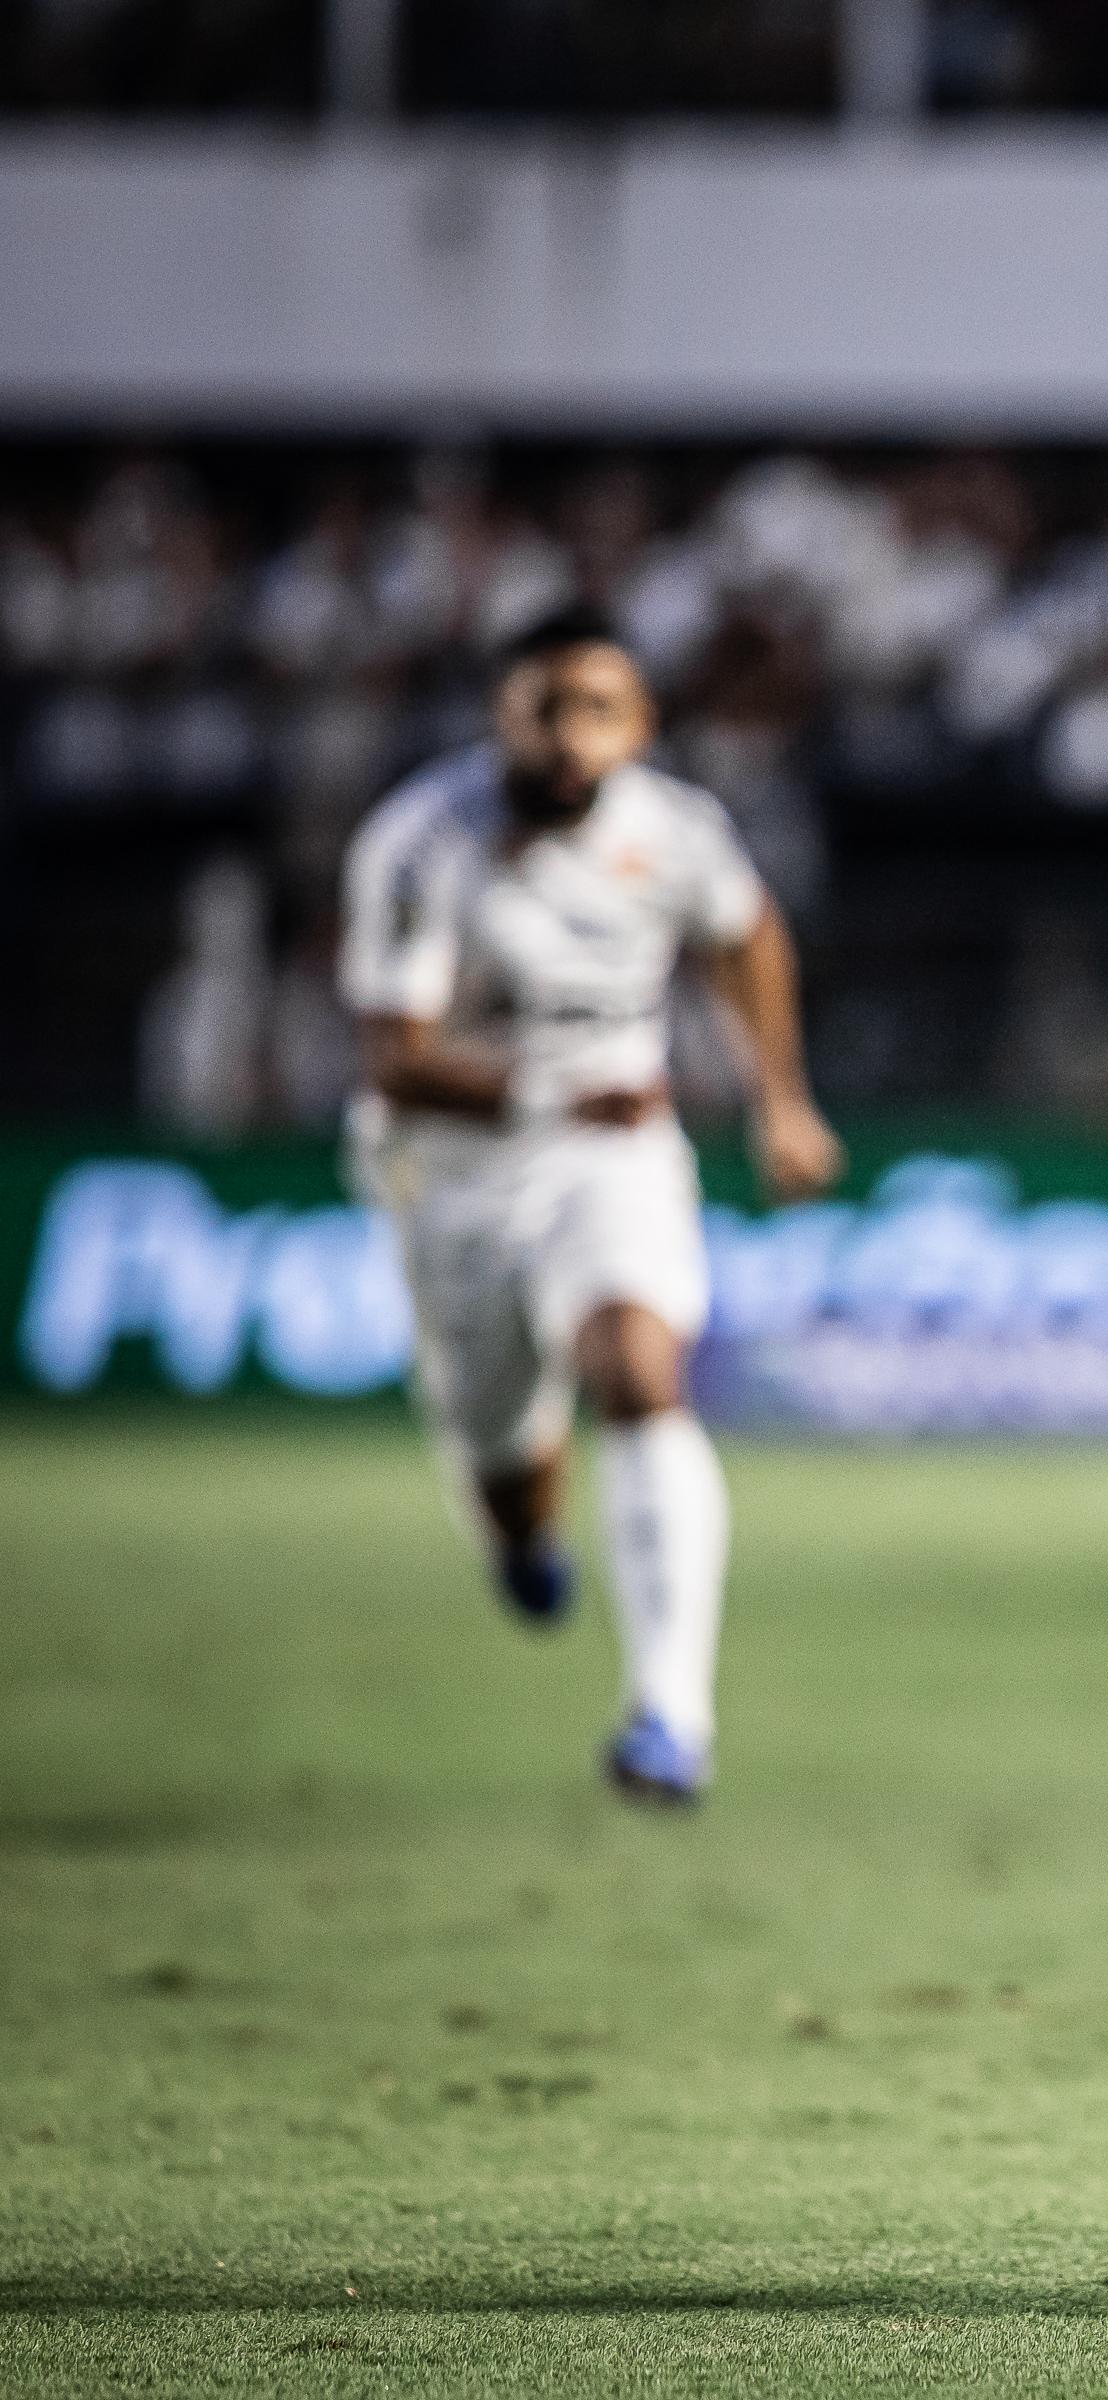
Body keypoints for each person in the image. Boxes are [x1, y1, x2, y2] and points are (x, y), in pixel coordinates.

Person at [339, 603, 843, 1803]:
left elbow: (749, 932)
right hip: (453, 1176)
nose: (571, 739)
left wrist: (780, 1097)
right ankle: (520, 1534)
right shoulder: (422, 844)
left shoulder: (673, 831)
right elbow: (395, 1058)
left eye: (598, 712)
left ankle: (670, 1715)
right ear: (501, 719)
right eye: (544, 710)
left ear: (641, 725)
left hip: (616, 1158)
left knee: (640, 1369)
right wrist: (552, 1090)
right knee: (510, 1461)